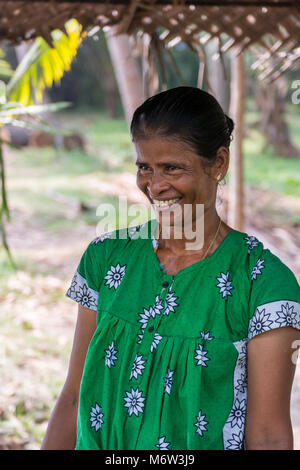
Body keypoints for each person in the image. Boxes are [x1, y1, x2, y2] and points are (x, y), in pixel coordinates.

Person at [41, 86, 300, 450]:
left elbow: (269, 436)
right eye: (144, 167)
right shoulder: (106, 258)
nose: (155, 185)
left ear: (219, 163)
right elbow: (73, 399)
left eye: (172, 168)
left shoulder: (262, 283)